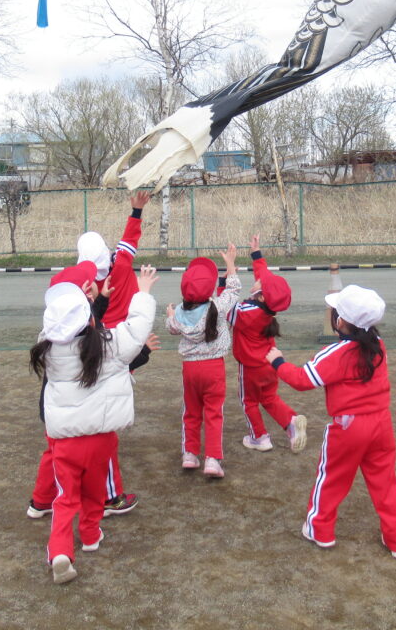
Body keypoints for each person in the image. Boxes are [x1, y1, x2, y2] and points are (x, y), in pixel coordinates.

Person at [266, 284, 396, 560]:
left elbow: (302, 380)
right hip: (381, 424)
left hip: (348, 427)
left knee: (331, 478)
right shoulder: (378, 345)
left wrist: (278, 362)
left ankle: (320, 530)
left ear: (341, 321)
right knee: (385, 483)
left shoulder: (337, 352)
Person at [32, 264, 158, 584]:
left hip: (66, 443)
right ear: (89, 318)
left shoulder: (47, 350)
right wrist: (142, 293)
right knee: (94, 491)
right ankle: (90, 536)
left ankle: (60, 551)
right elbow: (136, 328)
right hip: (101, 439)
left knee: (65, 499)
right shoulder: (109, 345)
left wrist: (84, 302)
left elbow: (57, 326)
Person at [75, 190, 151, 516]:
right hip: (123, 346)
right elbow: (129, 239)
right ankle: (108, 496)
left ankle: (51, 495)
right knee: (104, 427)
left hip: (95, 347)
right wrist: (136, 210)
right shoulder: (121, 265)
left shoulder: (82, 284)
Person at [165, 244, 241, 478]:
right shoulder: (217, 307)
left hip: (190, 368)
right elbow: (234, 290)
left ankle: (190, 453)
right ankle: (212, 459)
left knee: (191, 411)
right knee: (213, 412)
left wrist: (170, 316)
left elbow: (171, 328)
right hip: (213, 367)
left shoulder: (179, 311)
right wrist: (230, 264)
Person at [229, 234, 306, 453]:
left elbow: (225, 307)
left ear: (261, 296)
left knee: (249, 401)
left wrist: (229, 273)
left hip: (251, 367)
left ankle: (259, 438)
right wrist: (256, 254)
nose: (259, 279)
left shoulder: (248, 314)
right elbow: (264, 276)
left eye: (260, 282)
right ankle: (291, 423)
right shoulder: (267, 308)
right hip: (270, 361)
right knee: (269, 397)